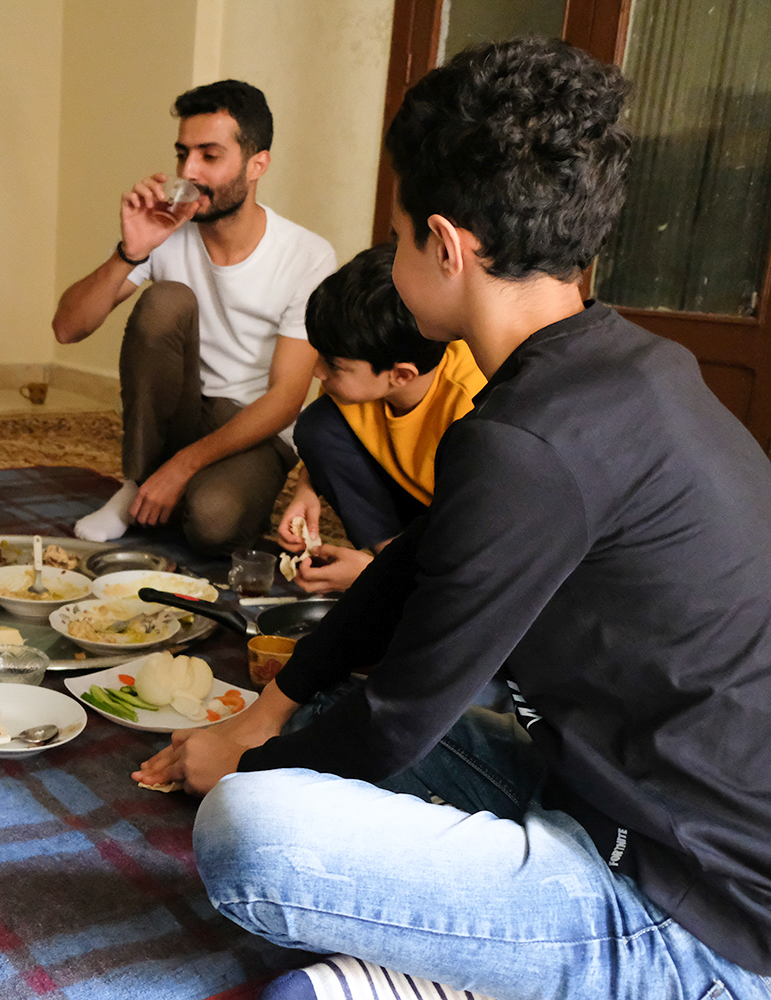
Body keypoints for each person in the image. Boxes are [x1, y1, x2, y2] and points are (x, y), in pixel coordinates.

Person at [136, 37, 771, 999]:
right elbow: (407, 574)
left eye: (395, 239)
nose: (390, 262)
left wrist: (252, 764)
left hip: (689, 910)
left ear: (445, 242)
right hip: (599, 785)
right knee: (323, 718)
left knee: (250, 827)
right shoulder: (617, 369)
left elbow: (399, 720)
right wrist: (270, 713)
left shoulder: (532, 441)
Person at [53, 80, 336, 554]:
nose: (188, 171)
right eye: (183, 154)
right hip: (182, 411)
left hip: (254, 426)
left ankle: (197, 485)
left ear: (257, 163)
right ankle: (136, 484)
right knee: (165, 300)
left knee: (210, 524)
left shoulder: (307, 255)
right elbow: (67, 328)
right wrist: (131, 250)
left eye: (209, 155)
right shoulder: (168, 231)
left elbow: (288, 398)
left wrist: (183, 466)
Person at [275, 242, 485, 593]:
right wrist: (306, 490)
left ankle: (395, 575)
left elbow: (481, 554)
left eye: (334, 365)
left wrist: (375, 577)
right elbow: (331, 434)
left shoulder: (472, 409)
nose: (317, 371)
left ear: (400, 375)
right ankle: (389, 557)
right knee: (318, 426)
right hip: (406, 497)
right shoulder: (360, 372)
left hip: (456, 523)